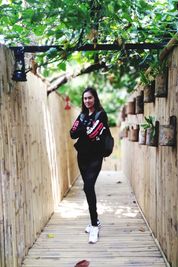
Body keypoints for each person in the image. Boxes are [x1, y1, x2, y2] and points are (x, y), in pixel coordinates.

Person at [70, 87, 108, 244]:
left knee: (88, 187)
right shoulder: (82, 114)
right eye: (85, 98)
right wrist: (84, 125)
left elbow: (93, 134)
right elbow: (72, 133)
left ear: (95, 99)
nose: (87, 101)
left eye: (90, 98)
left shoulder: (101, 114)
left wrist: (83, 127)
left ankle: (94, 226)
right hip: (83, 157)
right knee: (88, 188)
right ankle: (95, 220)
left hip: (95, 158)